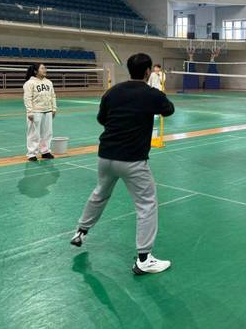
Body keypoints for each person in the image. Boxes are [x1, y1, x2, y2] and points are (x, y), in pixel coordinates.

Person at [71, 53, 175, 275]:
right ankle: (144, 259)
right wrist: (156, 93)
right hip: (132, 160)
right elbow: (169, 109)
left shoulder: (113, 92)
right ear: (148, 71)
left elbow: (102, 119)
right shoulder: (151, 94)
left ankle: (81, 231)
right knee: (147, 204)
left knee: (100, 193)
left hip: (105, 156)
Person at [23, 63, 57, 162]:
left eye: (45, 68)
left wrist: (54, 108)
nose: (45, 70)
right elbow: (27, 98)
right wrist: (30, 112)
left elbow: (53, 96)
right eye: (42, 68)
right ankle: (31, 153)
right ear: (35, 71)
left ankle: (45, 151)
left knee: (47, 133)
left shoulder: (49, 82)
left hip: (48, 110)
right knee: (34, 134)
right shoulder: (29, 83)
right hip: (36, 111)